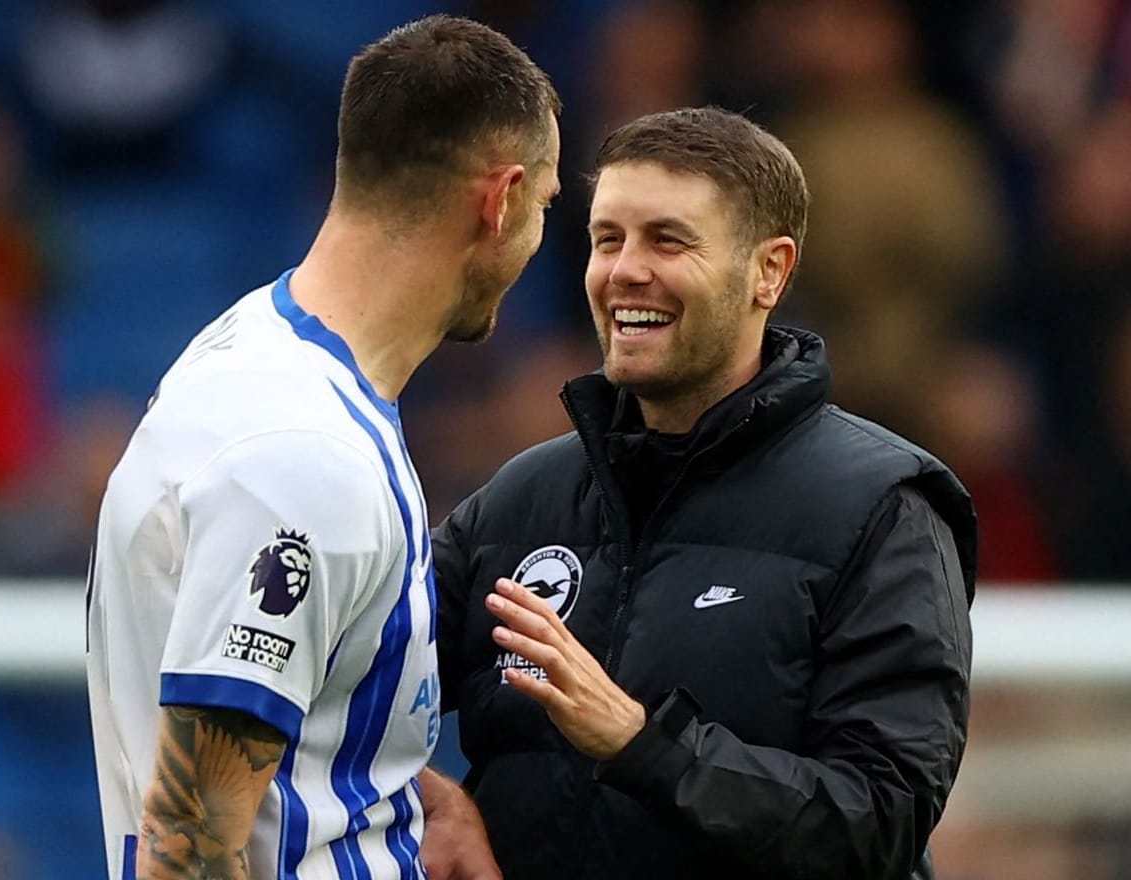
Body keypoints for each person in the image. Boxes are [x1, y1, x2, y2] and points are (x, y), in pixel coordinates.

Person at [427, 106, 976, 880]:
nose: (624, 271)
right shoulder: (523, 498)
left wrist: (643, 745)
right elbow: (345, 681)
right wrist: (431, 796)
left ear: (770, 271)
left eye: (668, 240)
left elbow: (879, 822)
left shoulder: (883, 507)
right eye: (607, 238)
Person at [85, 15, 560, 880]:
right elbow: (190, 846)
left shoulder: (258, 343)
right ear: (501, 201)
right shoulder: (302, 455)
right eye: (547, 210)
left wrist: (419, 808)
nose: (537, 245)